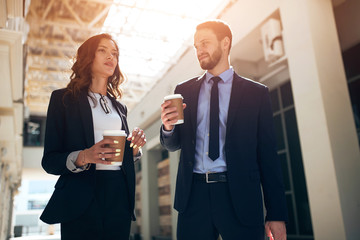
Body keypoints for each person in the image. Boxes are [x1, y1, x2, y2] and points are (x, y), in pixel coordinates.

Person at [160, 20, 288, 240]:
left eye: (205, 42)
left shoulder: (256, 93)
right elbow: (173, 144)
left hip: (240, 197)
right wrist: (168, 128)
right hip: (193, 199)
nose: (199, 50)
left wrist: (276, 213)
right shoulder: (184, 91)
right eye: (196, 45)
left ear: (225, 42)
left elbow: (268, 155)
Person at [40, 33, 146, 239]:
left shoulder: (120, 108)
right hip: (80, 195)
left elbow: (121, 157)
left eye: (114, 53)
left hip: (119, 195)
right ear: (88, 57)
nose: (111, 57)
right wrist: (84, 156)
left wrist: (134, 148)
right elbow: (50, 161)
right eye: (103, 50)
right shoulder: (63, 99)